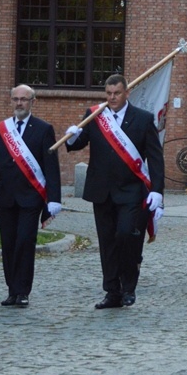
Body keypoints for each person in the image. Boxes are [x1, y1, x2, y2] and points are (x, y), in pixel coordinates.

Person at [65, 74, 165, 309]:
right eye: (108, 94)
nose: (112, 98)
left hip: (131, 190)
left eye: (116, 93)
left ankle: (128, 287)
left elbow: (156, 158)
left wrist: (158, 191)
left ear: (127, 93)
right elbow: (78, 144)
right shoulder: (95, 115)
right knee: (107, 242)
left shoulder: (142, 119)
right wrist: (73, 137)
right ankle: (112, 292)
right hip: (101, 190)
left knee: (126, 235)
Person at [0, 84, 62, 307]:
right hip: (6, 198)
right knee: (8, 244)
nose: (19, 103)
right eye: (15, 99)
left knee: (25, 242)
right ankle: (12, 290)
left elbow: (51, 166)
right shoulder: (1, 129)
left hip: (30, 198)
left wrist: (54, 198)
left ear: (32, 101)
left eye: (24, 99)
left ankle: (23, 291)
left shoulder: (44, 129)